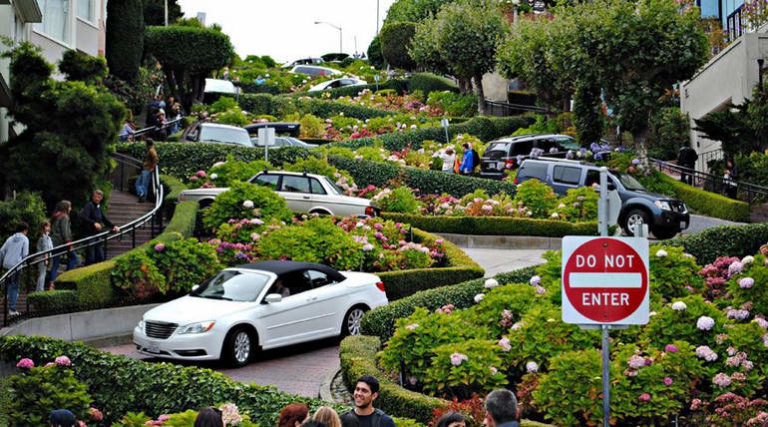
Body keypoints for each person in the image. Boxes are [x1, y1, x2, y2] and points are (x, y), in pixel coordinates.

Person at [81, 190, 119, 265]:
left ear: (101, 198)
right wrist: (94, 223)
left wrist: (114, 226)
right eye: (96, 196)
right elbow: (84, 216)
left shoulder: (98, 207)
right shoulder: (89, 205)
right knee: (91, 257)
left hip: (97, 235)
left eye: (99, 197)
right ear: (93, 197)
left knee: (100, 256)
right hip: (90, 234)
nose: (97, 198)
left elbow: (104, 219)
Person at [0, 222, 29, 316]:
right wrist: (24, 264)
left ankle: (7, 298)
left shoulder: (10, 238)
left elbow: (1, 251)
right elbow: (25, 254)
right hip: (16, 265)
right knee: (15, 286)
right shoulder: (25, 239)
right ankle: (12, 309)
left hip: (7, 264)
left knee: (8, 285)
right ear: (25, 230)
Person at [50, 200, 77, 283]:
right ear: (66, 208)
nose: (71, 209)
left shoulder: (56, 216)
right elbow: (64, 231)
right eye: (69, 207)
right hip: (62, 243)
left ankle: (52, 283)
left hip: (54, 242)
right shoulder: (64, 217)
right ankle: (66, 278)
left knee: (55, 263)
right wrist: (69, 243)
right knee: (74, 258)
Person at [136, 139, 159, 203]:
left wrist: (152, 167)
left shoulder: (151, 150)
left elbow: (155, 158)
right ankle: (142, 195)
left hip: (147, 169)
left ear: (147, 144)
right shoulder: (150, 150)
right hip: (146, 169)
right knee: (139, 183)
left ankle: (142, 195)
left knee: (143, 184)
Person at [36, 221, 53, 292]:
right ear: (44, 227)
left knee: (42, 274)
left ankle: (38, 289)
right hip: (42, 258)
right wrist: (46, 259)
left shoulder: (46, 237)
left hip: (42, 257)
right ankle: (40, 290)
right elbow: (45, 249)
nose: (49, 228)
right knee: (42, 274)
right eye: (48, 226)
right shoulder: (44, 237)